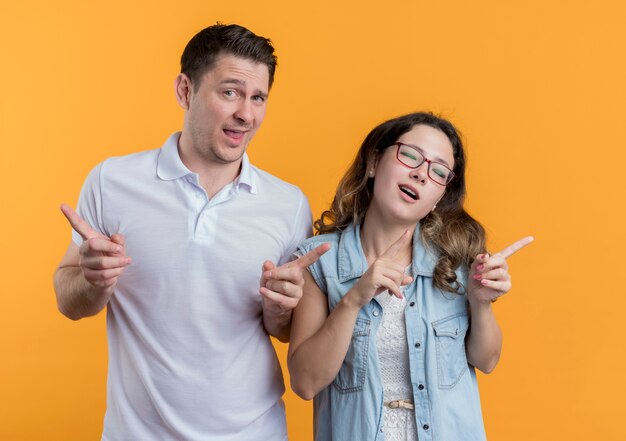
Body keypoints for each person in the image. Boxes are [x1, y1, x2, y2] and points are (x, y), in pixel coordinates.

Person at [54, 23, 328, 440]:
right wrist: (93, 281)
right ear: (185, 90)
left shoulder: (288, 204)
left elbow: (285, 330)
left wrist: (280, 310)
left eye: (258, 98)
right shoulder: (112, 181)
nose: (246, 114)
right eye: (230, 92)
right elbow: (68, 301)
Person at [287, 112, 533, 441]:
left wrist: (481, 302)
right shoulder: (320, 261)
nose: (420, 174)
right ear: (374, 162)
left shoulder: (455, 265)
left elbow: (486, 361)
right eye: (411, 156)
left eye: (438, 172)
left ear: (438, 198)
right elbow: (305, 383)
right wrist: (354, 299)